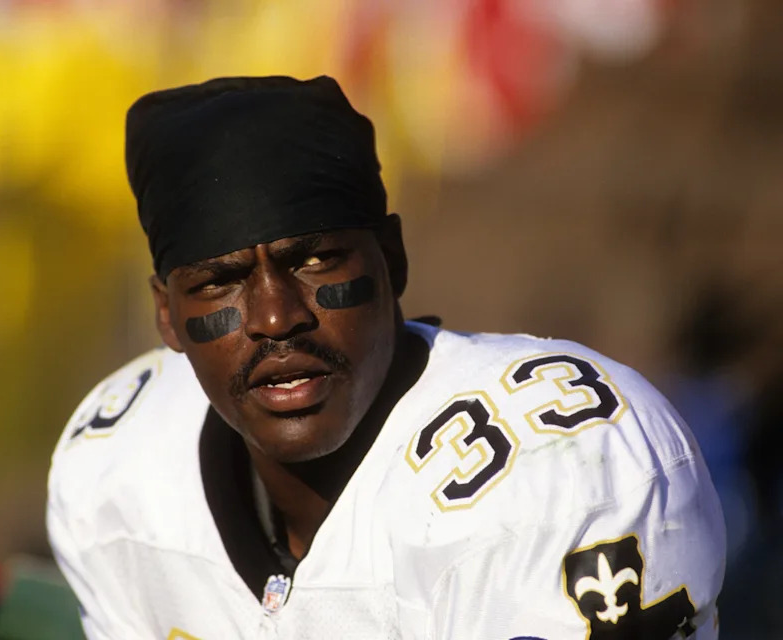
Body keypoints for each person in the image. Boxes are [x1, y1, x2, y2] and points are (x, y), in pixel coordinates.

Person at [46, 75, 725, 639]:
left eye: (315, 260)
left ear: (391, 260)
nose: (276, 318)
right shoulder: (117, 470)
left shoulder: (564, 466)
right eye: (220, 282)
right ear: (168, 314)